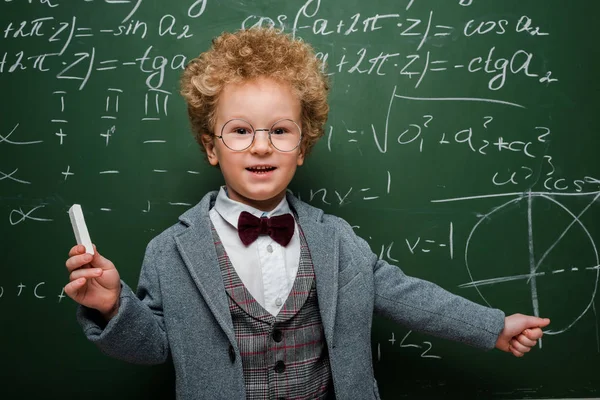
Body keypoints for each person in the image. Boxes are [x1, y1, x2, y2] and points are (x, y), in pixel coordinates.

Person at [64, 27, 550, 400]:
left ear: (302, 148)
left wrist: (492, 327)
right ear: (211, 147)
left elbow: (407, 296)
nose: (261, 145)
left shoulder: (335, 238)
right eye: (239, 130)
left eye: (280, 131)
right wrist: (111, 306)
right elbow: (155, 347)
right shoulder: (171, 251)